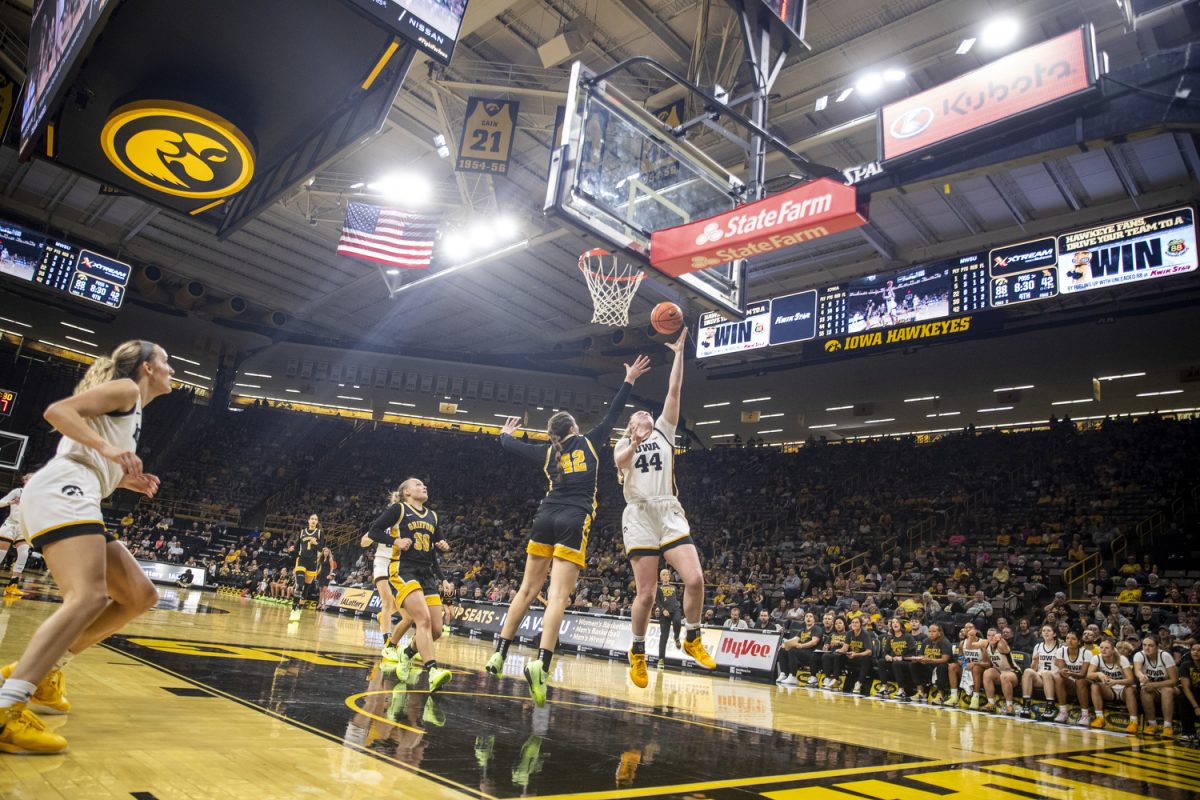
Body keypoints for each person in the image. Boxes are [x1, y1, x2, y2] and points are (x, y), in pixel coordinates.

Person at [0, 340, 172, 754]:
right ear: (147, 367)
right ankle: (7, 707)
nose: (171, 370)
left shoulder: (134, 411)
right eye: (165, 362)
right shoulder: (128, 390)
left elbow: (94, 455)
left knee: (138, 595)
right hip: (63, 489)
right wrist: (110, 450)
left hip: (78, 490)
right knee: (89, 595)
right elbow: (58, 412)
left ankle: (43, 674)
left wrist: (124, 477)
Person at [485, 356, 651, 705]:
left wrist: (505, 434)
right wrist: (629, 379)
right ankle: (541, 666)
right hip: (574, 519)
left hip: (544, 516)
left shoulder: (547, 453)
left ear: (553, 434)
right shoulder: (591, 442)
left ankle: (499, 651)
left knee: (526, 590)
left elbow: (509, 445)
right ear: (574, 429)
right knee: (557, 597)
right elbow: (614, 413)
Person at [616, 332, 714, 687]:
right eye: (638, 413)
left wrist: (678, 355)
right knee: (647, 594)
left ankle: (692, 637)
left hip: (668, 510)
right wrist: (633, 443)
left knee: (696, 579)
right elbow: (619, 460)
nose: (644, 412)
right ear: (631, 425)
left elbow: (674, 392)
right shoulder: (625, 443)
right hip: (639, 514)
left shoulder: (663, 431)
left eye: (646, 411)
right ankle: (638, 652)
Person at [362, 478, 452, 694]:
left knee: (436, 630)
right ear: (406, 492)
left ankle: (407, 653)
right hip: (404, 569)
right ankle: (432, 671)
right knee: (423, 620)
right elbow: (373, 531)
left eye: (425, 485)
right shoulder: (399, 509)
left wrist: (444, 548)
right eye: (418, 484)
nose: (424, 486)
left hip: (426, 573)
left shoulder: (432, 516)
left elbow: (435, 549)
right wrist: (395, 542)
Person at [1084, 637, 1139, 733]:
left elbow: (1130, 680)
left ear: (1113, 650)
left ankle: (1134, 722)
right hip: (1109, 689)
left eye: (1107, 648)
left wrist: (1116, 681)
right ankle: (1099, 718)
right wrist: (1098, 674)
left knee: (1130, 690)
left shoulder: (1122, 659)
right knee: (1094, 686)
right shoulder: (1096, 658)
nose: (1103, 650)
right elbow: (1089, 675)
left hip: (1123, 689)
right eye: (1101, 647)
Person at [1134, 635, 1178, 737]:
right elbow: (1137, 670)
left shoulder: (1165, 656)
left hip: (1171, 688)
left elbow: (1174, 680)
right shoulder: (1139, 655)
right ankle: (1152, 725)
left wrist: (1153, 684)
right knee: (1145, 690)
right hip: (1154, 689)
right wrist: (1141, 676)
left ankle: (1168, 727)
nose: (1147, 648)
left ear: (1157, 647)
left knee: (1166, 690)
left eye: (1150, 645)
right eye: (1144, 645)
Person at [1019, 624, 1061, 721]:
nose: (1046, 632)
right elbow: (1033, 669)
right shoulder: (1038, 646)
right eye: (1044, 630)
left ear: (1054, 634)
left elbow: (1062, 669)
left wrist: (1058, 664)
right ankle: (1026, 706)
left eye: (1049, 630)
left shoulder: (1060, 647)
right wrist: (1035, 661)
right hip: (1041, 677)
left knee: (1046, 673)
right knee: (1028, 671)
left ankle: (1050, 707)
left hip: (1055, 678)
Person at [0, 475, 32, 597]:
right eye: (31, 478)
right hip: (11, 525)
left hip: (24, 527)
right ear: (24, 480)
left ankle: (12, 586)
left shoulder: (38, 496)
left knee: (23, 554)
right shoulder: (18, 491)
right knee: (0, 556)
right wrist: (10, 502)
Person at [289, 514, 323, 623]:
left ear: (317, 522)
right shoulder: (302, 532)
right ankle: (294, 607)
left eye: (315, 519)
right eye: (312, 519)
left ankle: (300, 607)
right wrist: (292, 548)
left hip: (312, 562)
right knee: (299, 585)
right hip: (301, 560)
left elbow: (321, 548)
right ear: (308, 521)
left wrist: (315, 543)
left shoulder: (319, 533)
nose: (313, 521)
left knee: (306, 588)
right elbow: (298, 545)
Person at [1053, 631, 1091, 724]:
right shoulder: (1061, 650)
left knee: (1080, 681)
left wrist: (1070, 673)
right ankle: (1063, 712)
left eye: (1073, 639)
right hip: (1070, 681)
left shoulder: (1087, 653)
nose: (1070, 641)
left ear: (1079, 642)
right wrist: (1063, 671)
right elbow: (1062, 671)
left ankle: (1085, 715)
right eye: (1067, 638)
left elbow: (1082, 674)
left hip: (1085, 684)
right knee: (1058, 677)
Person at [777, 611, 823, 686]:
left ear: (814, 620)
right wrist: (785, 644)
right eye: (807, 616)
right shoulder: (802, 630)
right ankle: (784, 673)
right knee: (782, 650)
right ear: (804, 619)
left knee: (793, 650)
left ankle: (793, 676)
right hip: (801, 653)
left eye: (810, 616)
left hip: (811, 654)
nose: (808, 618)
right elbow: (794, 640)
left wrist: (801, 646)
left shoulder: (816, 628)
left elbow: (814, 642)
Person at [982, 628, 1019, 714]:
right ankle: (990, 703)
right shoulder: (988, 646)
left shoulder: (1001, 645)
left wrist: (1001, 639)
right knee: (987, 673)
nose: (991, 637)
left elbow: (1004, 644)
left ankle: (1010, 706)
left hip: (1014, 672)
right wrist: (971, 636)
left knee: (1004, 676)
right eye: (989, 635)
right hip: (1000, 672)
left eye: (993, 635)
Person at [654, 569, 682, 670]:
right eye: (663, 575)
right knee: (664, 637)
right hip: (664, 613)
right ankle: (661, 659)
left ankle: (677, 637)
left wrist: (678, 606)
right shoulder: (658, 588)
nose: (666, 576)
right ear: (661, 577)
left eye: (667, 574)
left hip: (675, 610)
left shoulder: (674, 587)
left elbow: (678, 598)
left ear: (669, 577)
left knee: (677, 621)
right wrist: (662, 610)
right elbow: (657, 601)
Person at [1176, 642, 1200, 746]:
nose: (1196, 652)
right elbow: (1186, 687)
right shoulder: (1185, 665)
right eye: (1193, 650)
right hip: (1192, 694)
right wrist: (1196, 706)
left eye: (1199, 650)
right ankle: (1188, 732)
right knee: (1182, 698)